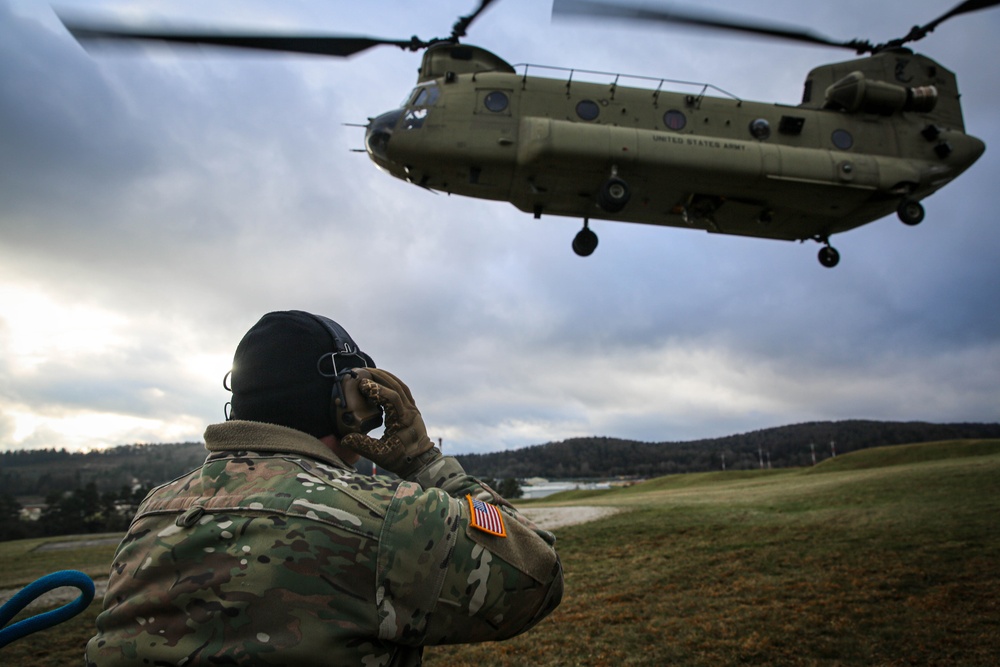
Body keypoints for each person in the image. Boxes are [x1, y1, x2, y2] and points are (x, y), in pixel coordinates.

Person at [85, 310, 563, 666]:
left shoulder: (154, 512)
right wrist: (423, 460)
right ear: (348, 404)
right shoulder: (387, 518)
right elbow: (538, 577)